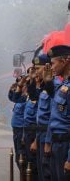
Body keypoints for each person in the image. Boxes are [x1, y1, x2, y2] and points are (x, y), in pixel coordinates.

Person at [44, 45, 70, 181]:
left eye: (53, 63)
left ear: (65, 61)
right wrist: (48, 141)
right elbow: (54, 116)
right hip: (56, 144)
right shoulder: (62, 86)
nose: (51, 68)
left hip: (65, 146)